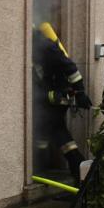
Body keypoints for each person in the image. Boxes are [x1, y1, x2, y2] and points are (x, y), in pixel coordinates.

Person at [32, 24, 93, 183]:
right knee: (49, 134)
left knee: (57, 134)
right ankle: (43, 169)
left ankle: (80, 173)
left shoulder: (47, 48)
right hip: (48, 101)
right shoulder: (35, 47)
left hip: (56, 100)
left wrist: (79, 93)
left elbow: (71, 68)